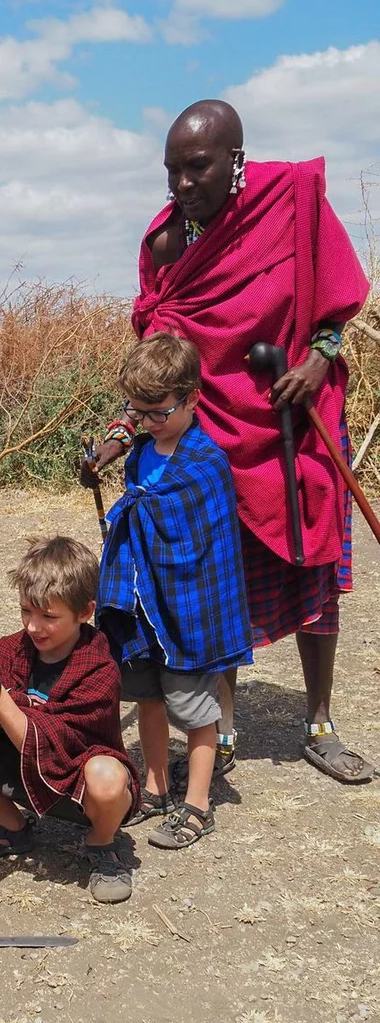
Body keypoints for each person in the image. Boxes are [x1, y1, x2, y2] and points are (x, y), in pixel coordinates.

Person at [85, 99, 372, 784]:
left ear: (235, 162)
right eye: (171, 171)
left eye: (198, 167)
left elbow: (338, 312)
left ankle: (320, 720)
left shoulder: (294, 202)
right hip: (210, 429)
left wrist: (317, 360)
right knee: (216, 577)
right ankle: (222, 725)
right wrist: (125, 429)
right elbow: (159, 361)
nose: (183, 183)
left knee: (315, 566)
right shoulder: (165, 245)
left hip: (294, 416)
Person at [97, 334, 253, 849]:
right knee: (147, 698)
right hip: (142, 606)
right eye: (136, 413)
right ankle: (159, 787)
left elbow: (204, 549)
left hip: (187, 611)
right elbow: (140, 515)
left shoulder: (206, 465)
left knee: (194, 709)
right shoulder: (140, 453)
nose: (145, 423)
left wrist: (136, 510)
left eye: (156, 413)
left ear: (191, 399)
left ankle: (198, 805)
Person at [0, 536, 139, 903]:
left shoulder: (100, 668)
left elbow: (61, 742)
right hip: (22, 769)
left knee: (108, 777)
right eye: (26, 611)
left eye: (49, 616)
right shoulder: (11, 649)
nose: (33, 626)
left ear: (85, 612)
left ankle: (101, 844)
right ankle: (13, 829)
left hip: (77, 785)